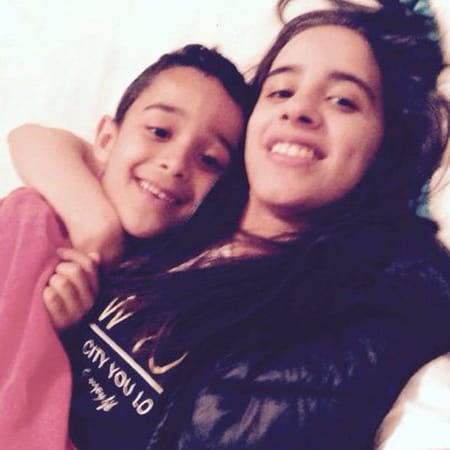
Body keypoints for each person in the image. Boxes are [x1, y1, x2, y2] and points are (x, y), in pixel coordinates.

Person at [9, 0, 450, 448]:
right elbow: (37, 140)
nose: (298, 110)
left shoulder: (363, 304)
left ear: (387, 145)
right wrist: (94, 235)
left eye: (343, 100)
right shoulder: (180, 211)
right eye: (280, 91)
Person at [1, 44, 250, 449]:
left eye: (209, 159)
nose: (175, 163)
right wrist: (95, 225)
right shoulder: (36, 217)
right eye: (159, 132)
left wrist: (63, 330)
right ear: (105, 138)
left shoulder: (174, 275)